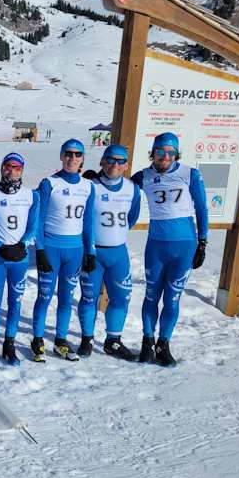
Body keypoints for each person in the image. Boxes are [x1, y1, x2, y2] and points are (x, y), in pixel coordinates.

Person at [131, 132, 208, 366]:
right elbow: (117, 187)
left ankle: (163, 344)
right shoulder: (143, 176)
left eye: (170, 153)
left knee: (172, 299)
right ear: (153, 153)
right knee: (151, 296)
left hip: (184, 247)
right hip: (156, 246)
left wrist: (202, 242)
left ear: (176, 154)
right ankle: (147, 341)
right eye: (160, 152)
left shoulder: (190, 174)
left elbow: (202, 208)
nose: (165, 157)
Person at [31, 139, 96, 362]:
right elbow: (38, 220)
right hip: (51, 248)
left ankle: (60, 340)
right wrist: (40, 249)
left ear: (83, 158)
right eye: (68, 153)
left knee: (67, 298)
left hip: (75, 251)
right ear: (61, 156)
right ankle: (38, 340)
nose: (72, 158)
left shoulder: (88, 186)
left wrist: (90, 251)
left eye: (77, 154)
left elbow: (88, 222)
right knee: (44, 295)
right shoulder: (50, 183)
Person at [76, 145, 141, 360]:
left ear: (126, 166)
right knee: (89, 298)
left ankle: (113, 340)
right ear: (102, 161)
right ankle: (87, 339)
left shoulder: (132, 189)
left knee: (121, 298)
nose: (115, 164)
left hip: (118, 253)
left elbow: (131, 218)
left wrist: (114, 235)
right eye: (111, 159)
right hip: (93, 253)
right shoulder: (90, 186)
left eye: (121, 161)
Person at [0, 152, 39, 366]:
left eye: (16, 167)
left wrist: (22, 245)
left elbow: (34, 227)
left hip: (19, 259)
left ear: (21, 170)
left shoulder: (31, 195)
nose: (11, 171)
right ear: (2, 168)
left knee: (15, 303)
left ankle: (9, 345)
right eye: (8, 166)